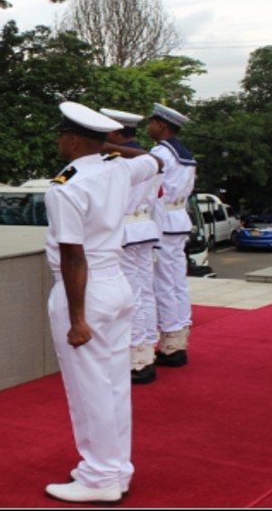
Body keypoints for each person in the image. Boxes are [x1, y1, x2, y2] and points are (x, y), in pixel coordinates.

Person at [43, 101, 163, 504]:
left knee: (89, 388)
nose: (58, 141)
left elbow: (73, 255)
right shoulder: (117, 168)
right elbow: (151, 160)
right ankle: (115, 469)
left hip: (85, 292)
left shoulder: (66, 186)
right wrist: (108, 149)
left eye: (62, 135)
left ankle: (99, 478)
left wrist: (77, 320)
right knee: (113, 386)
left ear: (73, 139)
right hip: (116, 285)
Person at [100, 108, 164, 384]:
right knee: (145, 292)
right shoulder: (150, 158)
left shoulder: (115, 161)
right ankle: (146, 349)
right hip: (145, 227)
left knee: (129, 296)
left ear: (114, 133)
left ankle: (133, 356)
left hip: (124, 231)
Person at [146, 103, 197, 367]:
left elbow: (153, 190)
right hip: (178, 219)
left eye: (152, 122)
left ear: (162, 126)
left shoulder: (161, 153)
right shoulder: (184, 154)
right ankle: (178, 337)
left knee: (163, 283)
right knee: (177, 281)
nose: (149, 127)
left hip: (164, 221)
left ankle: (170, 345)